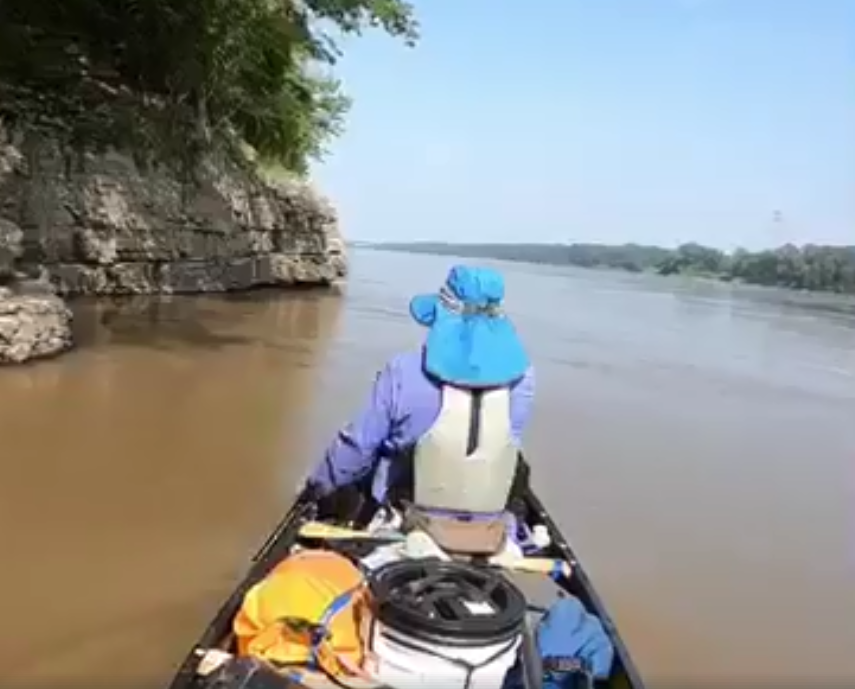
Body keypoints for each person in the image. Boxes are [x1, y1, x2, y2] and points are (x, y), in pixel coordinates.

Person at [305, 264, 535, 555]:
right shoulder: (524, 377)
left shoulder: (403, 370)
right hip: (490, 530)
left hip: (407, 524)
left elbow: (357, 448)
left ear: (442, 315)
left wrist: (316, 487)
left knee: (361, 464)